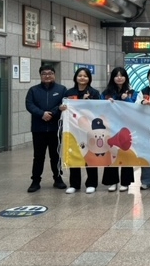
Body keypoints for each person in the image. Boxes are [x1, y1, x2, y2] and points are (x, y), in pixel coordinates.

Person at [25, 64, 67, 193]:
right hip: (39, 129)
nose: (47, 76)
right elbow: (29, 105)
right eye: (44, 74)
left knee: (55, 156)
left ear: (54, 75)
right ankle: (35, 181)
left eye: (50, 73)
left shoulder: (62, 89)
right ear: (40, 75)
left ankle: (58, 179)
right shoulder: (33, 90)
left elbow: (63, 104)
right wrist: (42, 114)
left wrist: (52, 113)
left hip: (55, 128)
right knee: (38, 156)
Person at [59, 67, 101, 194]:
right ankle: (74, 184)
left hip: (89, 130)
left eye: (85, 76)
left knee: (90, 155)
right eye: (80, 75)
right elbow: (63, 107)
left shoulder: (94, 93)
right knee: (74, 154)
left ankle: (92, 183)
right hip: (73, 129)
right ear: (76, 77)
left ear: (89, 78)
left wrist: (89, 102)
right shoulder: (69, 92)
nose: (82, 78)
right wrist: (62, 107)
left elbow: (99, 109)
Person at [101, 67, 137, 192]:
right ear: (113, 78)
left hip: (126, 127)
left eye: (122, 75)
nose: (119, 78)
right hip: (110, 127)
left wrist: (126, 99)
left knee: (126, 152)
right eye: (116, 75)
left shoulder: (132, 92)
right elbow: (100, 107)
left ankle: (125, 182)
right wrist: (107, 102)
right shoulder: (106, 93)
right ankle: (112, 181)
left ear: (126, 77)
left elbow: (135, 108)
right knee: (111, 153)